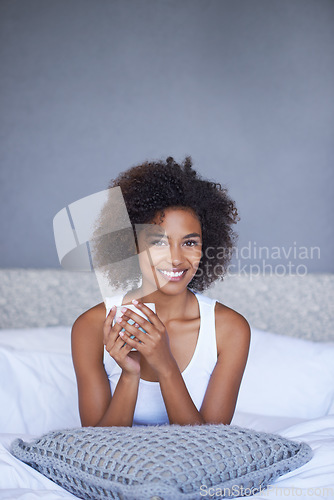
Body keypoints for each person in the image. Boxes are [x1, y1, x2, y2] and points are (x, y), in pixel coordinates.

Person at [71, 157, 250, 427]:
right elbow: (97, 451)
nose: (176, 259)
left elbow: (210, 450)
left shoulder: (230, 330)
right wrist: (130, 374)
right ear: (132, 245)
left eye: (189, 242)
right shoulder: (91, 327)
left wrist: (165, 365)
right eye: (158, 242)